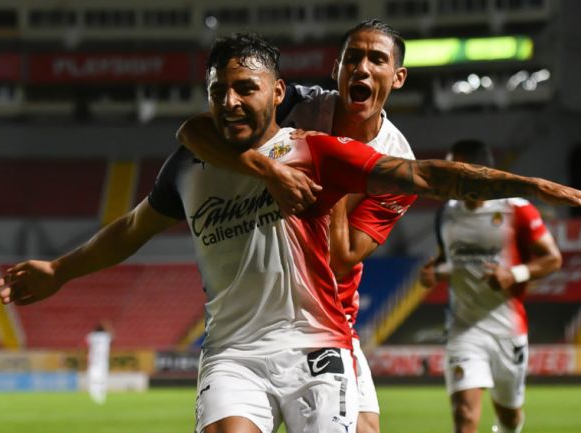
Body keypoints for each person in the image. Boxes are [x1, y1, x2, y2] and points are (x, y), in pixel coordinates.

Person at [0, 33, 581, 433]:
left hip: (323, 335)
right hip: (234, 351)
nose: (231, 102)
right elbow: (142, 212)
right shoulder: (201, 155)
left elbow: (425, 177)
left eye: (245, 89)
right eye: (220, 91)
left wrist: (528, 185)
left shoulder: (326, 152)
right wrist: (58, 271)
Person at [177, 19, 416, 433]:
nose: (361, 68)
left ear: (397, 77)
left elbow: (341, 259)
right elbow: (195, 132)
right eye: (352, 58)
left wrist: (334, 167)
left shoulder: (397, 161)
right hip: (252, 321)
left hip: (328, 319)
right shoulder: (298, 106)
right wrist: (271, 171)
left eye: (376, 59)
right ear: (336, 68)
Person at [419, 139, 565, 433]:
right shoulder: (446, 213)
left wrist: (515, 274)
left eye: (454, 170)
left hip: (506, 330)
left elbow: (553, 259)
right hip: (464, 329)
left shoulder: (517, 210)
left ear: (479, 171)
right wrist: (433, 271)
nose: (448, 177)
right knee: (464, 415)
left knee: (509, 417)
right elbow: (450, 262)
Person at [86, 321, 112, 404]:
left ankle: (93, 393)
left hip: (94, 360)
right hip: (103, 360)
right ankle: (102, 394)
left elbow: (87, 342)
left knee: (93, 378)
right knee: (103, 378)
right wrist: (107, 326)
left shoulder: (92, 336)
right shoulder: (106, 336)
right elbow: (112, 336)